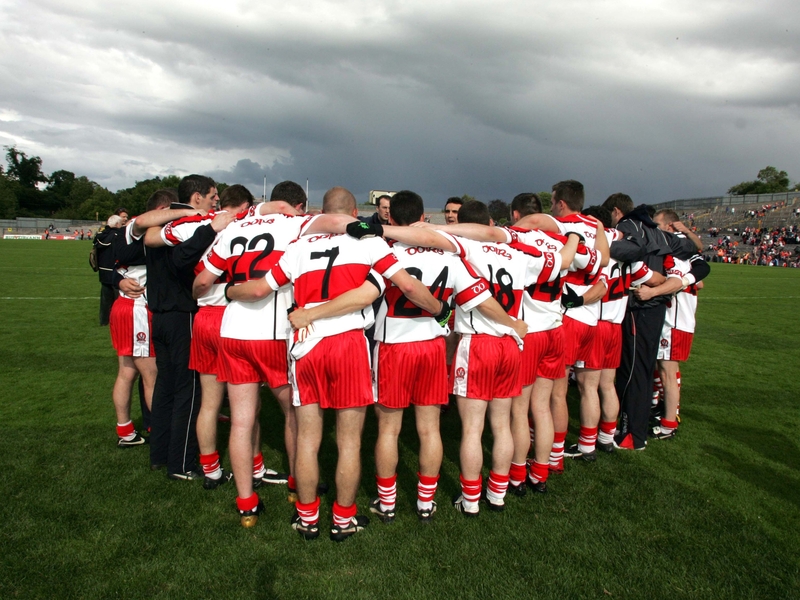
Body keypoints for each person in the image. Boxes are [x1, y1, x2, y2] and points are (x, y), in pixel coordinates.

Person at [228, 186, 445, 540]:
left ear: (322, 212)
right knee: (348, 441)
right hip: (347, 344)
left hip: (307, 344)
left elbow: (257, 290)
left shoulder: (297, 248)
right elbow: (407, 286)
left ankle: (307, 518)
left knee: (309, 439)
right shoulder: (369, 242)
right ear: (352, 213)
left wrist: (229, 290)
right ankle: (343, 519)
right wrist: (440, 311)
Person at [193, 181, 353, 522]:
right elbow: (337, 221)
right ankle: (299, 484)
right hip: (274, 331)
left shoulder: (235, 226)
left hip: (232, 329)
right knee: (294, 414)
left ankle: (246, 504)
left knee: (241, 420)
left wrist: (224, 292)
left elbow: (203, 281)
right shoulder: (294, 222)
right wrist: (367, 227)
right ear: (297, 204)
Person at [367, 191, 522, 524]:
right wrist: (513, 324)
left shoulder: (383, 249)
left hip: (393, 344)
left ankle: (388, 503)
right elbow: (481, 298)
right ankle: (425, 503)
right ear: (424, 217)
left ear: (390, 218)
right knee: (429, 429)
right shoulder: (450, 257)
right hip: (433, 347)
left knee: (389, 430)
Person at [143, 175, 235, 480]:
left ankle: (159, 453)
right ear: (196, 198)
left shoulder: (158, 227)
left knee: (166, 388)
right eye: (212, 196)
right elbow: (182, 261)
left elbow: (145, 234)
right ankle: (181, 463)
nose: (216, 203)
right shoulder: (192, 226)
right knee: (189, 391)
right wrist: (210, 227)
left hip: (158, 314)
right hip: (183, 314)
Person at [601, 194, 698, 450]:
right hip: (654, 309)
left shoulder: (629, 228)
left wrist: (642, 266)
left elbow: (623, 249)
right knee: (642, 370)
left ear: (616, 211)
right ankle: (638, 428)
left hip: (638, 306)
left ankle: (632, 435)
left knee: (632, 371)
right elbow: (690, 248)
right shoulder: (655, 231)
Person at [109, 190, 198, 448]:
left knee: (128, 371)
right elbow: (138, 224)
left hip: (129, 306)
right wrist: (187, 212)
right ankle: (164, 435)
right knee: (152, 375)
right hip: (136, 308)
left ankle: (126, 430)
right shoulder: (137, 225)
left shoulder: (154, 234)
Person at [95, 214, 125, 325]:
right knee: (119, 299)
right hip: (114, 270)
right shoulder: (118, 236)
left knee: (105, 300)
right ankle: (118, 321)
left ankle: (104, 321)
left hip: (103, 271)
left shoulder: (100, 235)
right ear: (117, 224)